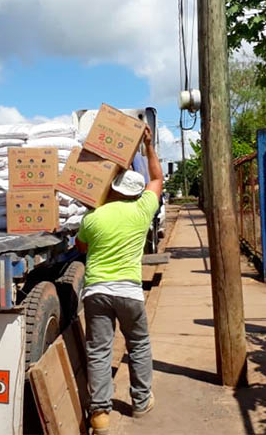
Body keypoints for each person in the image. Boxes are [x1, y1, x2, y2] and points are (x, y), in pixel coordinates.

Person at [76, 126, 163, 435]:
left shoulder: (93, 217)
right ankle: (141, 402)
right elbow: (157, 179)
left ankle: (99, 416)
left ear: (110, 188)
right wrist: (149, 146)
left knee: (99, 351)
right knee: (138, 345)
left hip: (96, 291)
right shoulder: (142, 210)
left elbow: (81, 247)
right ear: (134, 192)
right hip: (129, 292)